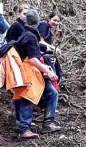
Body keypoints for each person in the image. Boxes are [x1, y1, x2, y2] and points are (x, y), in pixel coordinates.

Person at [10, 8, 60, 138]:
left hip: (25, 72)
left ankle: (48, 122)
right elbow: (32, 59)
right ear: (37, 21)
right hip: (28, 73)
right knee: (28, 96)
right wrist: (48, 71)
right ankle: (24, 128)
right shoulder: (30, 36)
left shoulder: (27, 34)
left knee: (51, 92)